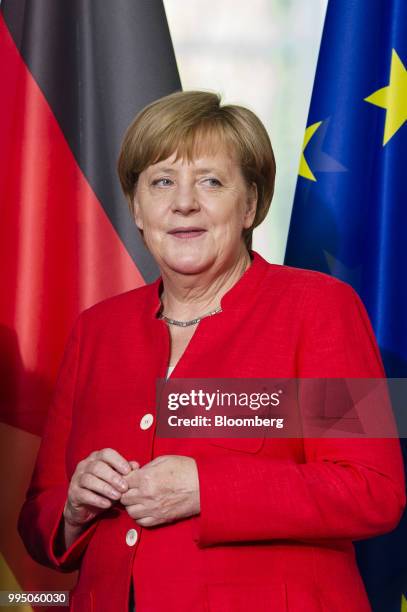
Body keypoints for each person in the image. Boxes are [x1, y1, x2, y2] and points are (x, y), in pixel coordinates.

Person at [18, 91, 405, 612]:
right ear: (135, 206)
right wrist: (72, 507)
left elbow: (373, 490)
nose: (183, 203)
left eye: (211, 181)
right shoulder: (97, 330)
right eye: (160, 182)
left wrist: (207, 488)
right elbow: (39, 512)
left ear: (250, 205)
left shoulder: (318, 309)